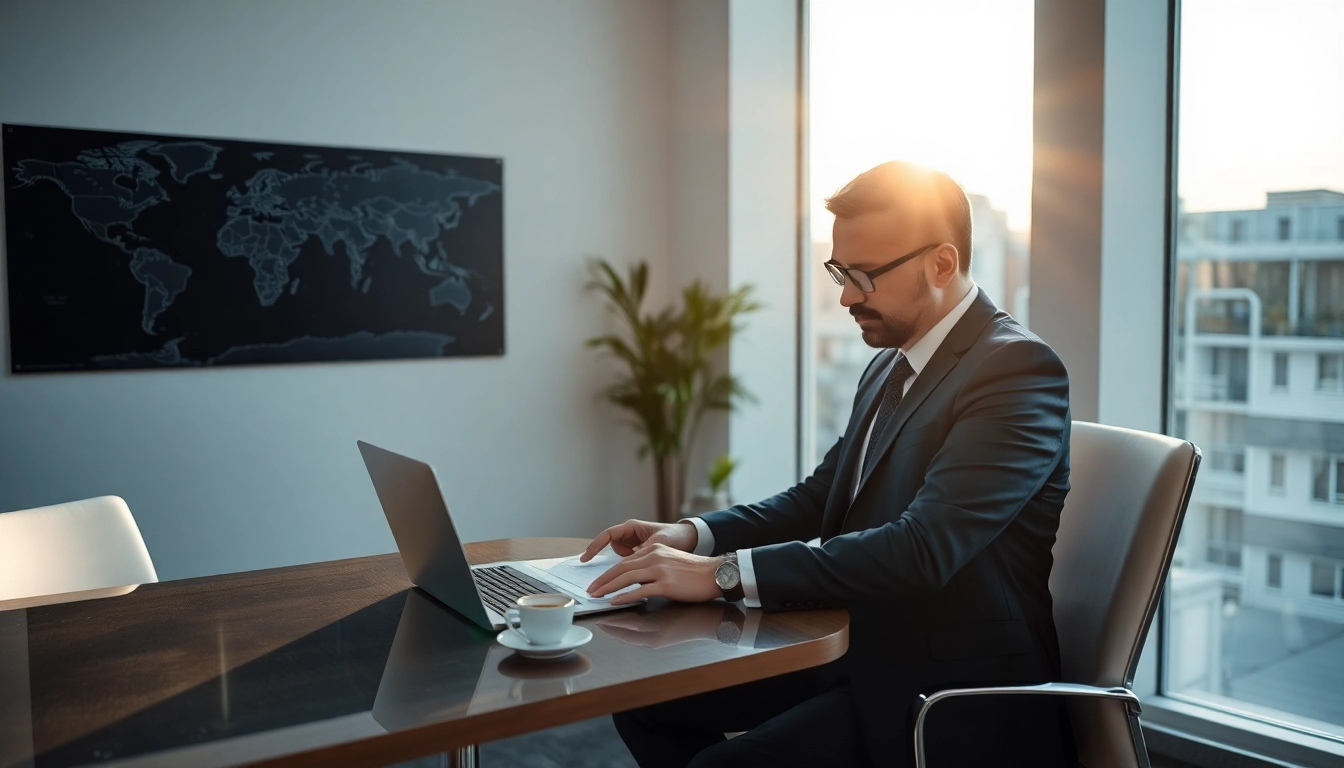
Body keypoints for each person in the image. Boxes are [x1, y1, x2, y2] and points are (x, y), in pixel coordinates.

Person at [581, 161, 1076, 767]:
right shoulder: (891, 364)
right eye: (841, 272)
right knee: (644, 699)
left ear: (942, 264)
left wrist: (722, 575)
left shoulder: (1017, 371)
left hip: (945, 682)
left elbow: (925, 547)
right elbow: (824, 497)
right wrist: (695, 535)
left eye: (864, 276)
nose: (845, 296)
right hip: (855, 644)